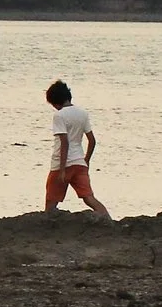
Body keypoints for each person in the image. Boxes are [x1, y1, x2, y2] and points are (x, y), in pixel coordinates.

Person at [44, 80, 112, 219]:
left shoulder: (59, 115)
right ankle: (108, 221)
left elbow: (64, 143)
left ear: (55, 102)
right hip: (79, 163)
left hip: (61, 165)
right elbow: (92, 141)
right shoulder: (83, 113)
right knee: (89, 198)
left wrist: (62, 170)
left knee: (51, 203)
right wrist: (86, 161)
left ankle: (48, 227)